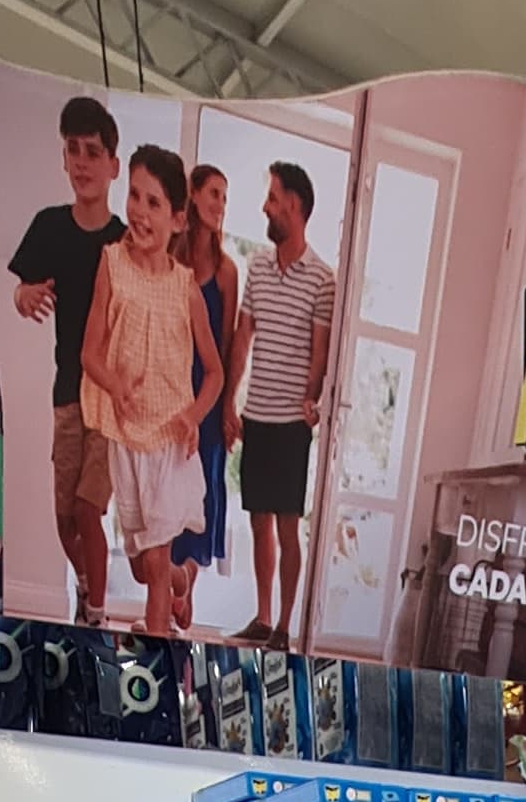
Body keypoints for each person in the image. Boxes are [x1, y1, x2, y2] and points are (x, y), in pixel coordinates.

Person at [80, 143, 224, 637]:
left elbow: (215, 373)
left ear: (178, 220)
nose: (139, 211)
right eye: (135, 196)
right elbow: (89, 353)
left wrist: (193, 416)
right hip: (127, 438)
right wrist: (114, 384)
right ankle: (182, 580)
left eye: (154, 203)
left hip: (170, 442)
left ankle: (159, 658)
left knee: (156, 562)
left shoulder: (186, 289)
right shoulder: (111, 265)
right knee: (144, 566)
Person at [9, 96, 126, 626]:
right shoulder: (50, 226)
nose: (82, 162)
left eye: (93, 152)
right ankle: (84, 583)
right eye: (73, 150)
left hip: (108, 400)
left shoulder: (124, 242)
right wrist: (23, 295)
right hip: (66, 390)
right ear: (63, 158)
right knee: (64, 517)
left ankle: (96, 615)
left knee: (87, 508)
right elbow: (21, 290)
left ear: (113, 165)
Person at [228, 159, 335, 643]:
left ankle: (285, 627)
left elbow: (320, 352)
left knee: (288, 527)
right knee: (258, 522)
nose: (265, 207)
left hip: (292, 424)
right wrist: (230, 401)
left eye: (272, 198)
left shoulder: (322, 279)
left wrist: (311, 400)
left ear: (293, 205)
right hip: (256, 416)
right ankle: (263, 617)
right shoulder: (257, 267)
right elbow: (243, 336)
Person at [170, 163, 241, 634]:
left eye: (224, 197)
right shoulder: (169, 259)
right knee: (169, 487)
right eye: (214, 193)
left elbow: (229, 344)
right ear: (193, 195)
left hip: (209, 394)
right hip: (171, 390)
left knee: (204, 493)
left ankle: (186, 585)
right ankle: (169, 580)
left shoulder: (228, 271)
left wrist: (228, 404)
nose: (220, 204)